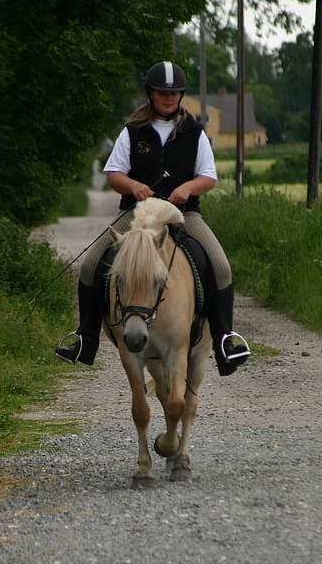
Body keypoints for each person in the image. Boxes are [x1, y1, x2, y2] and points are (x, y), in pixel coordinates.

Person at [55, 60, 250, 376]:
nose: (169, 98)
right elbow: (113, 173)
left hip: (182, 215)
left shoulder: (195, 133)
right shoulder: (132, 132)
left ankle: (224, 340)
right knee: (91, 264)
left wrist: (187, 187)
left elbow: (208, 176)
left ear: (181, 95)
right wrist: (133, 185)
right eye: (162, 93)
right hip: (136, 214)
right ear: (151, 94)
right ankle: (85, 338)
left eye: (174, 93)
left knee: (221, 266)